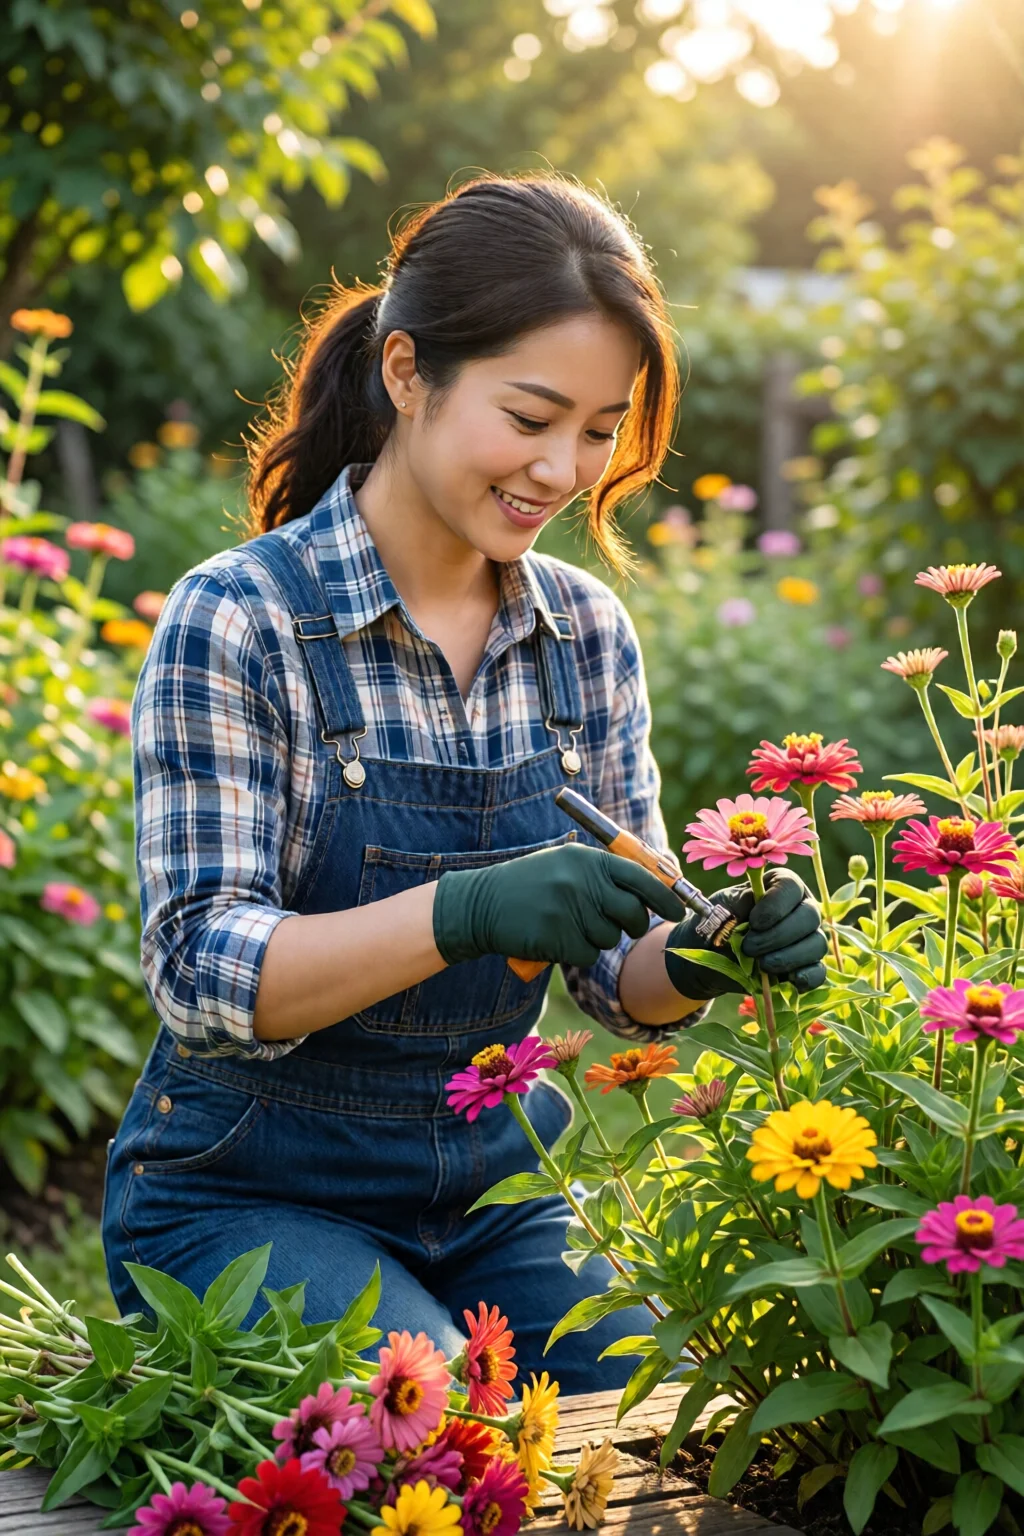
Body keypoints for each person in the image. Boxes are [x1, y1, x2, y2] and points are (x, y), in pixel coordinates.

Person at [102, 172, 827, 1392]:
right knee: (433, 1422)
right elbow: (200, 970)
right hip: (244, 1191)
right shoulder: (240, 618)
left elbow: (615, 980)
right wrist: (467, 911)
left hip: (499, 1192)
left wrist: (705, 951)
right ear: (405, 373)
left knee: (681, 1396)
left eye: (598, 430)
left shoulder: (583, 633)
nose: (562, 468)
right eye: (531, 415)